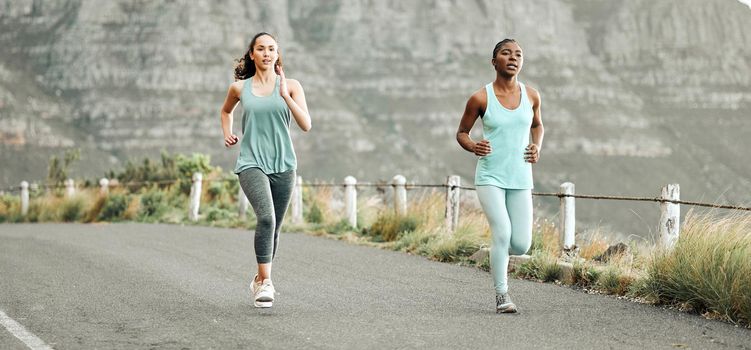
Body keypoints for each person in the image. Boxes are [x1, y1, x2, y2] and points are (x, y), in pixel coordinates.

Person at [220, 32, 311, 308]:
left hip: (284, 164)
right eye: (261, 49)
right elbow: (225, 112)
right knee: (267, 218)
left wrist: (285, 95)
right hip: (251, 162)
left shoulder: (292, 85)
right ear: (252, 54)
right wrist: (228, 133)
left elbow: (306, 124)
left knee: (275, 229)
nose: (267, 53)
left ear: (277, 53)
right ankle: (266, 284)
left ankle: (260, 279)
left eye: (271, 49)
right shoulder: (239, 88)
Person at [456, 39, 544, 313]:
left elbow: (538, 125)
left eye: (518, 53)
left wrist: (536, 146)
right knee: (502, 233)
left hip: (520, 177)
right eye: (506, 53)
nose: (513, 57)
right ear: (494, 62)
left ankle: (497, 253)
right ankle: (501, 295)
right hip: (490, 176)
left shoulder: (531, 95)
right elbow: (462, 132)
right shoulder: (480, 98)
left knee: (520, 244)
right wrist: (473, 145)